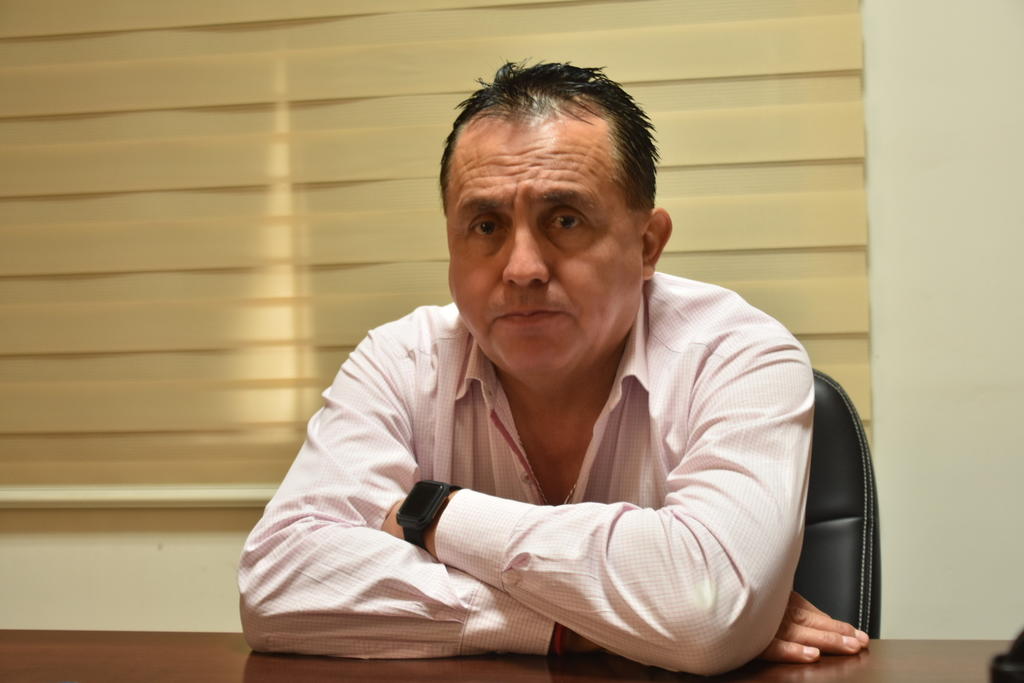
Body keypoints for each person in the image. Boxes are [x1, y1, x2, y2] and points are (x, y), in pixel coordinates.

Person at [238, 62, 868, 675]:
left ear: (647, 244)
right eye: (486, 225)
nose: (522, 269)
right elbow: (278, 585)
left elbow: (705, 610)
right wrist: (590, 624)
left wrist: (433, 513)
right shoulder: (398, 363)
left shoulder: (739, 355)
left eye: (564, 220)